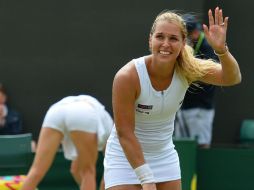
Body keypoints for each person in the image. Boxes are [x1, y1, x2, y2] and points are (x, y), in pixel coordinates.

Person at [104, 7, 241, 190]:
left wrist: (221, 51)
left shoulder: (188, 69)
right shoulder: (128, 76)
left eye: (173, 38)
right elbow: (124, 133)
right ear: (150, 39)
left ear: (184, 43)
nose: (166, 44)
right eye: (160, 37)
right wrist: (146, 178)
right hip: (124, 157)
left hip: (164, 157)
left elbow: (232, 78)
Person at [20, 95, 113, 190]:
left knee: (36, 171)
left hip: (56, 111)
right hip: (83, 112)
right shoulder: (113, 137)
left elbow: (75, 169)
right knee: (88, 172)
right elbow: (110, 173)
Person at [174, 14, 219, 148]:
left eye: (184, 34)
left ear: (194, 32)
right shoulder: (183, 48)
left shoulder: (207, 47)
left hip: (201, 107)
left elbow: (209, 77)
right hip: (184, 105)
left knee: (201, 144)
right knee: (182, 145)